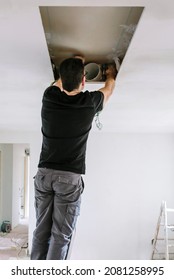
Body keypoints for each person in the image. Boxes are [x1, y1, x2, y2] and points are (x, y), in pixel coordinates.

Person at [31, 57, 116, 260]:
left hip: (44, 174)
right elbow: (109, 89)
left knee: (41, 231)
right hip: (67, 179)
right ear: (84, 81)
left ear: (61, 78)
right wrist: (111, 74)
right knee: (60, 235)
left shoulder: (49, 96)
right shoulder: (89, 102)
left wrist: (74, 63)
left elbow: (58, 83)